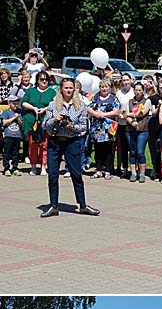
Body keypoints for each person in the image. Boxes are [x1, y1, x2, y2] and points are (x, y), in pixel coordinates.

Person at [41, 77, 100, 218]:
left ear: (74, 89)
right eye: (66, 87)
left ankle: (83, 205)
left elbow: (83, 127)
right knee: (53, 175)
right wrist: (54, 120)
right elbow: (45, 125)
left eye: (70, 88)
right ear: (61, 89)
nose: (68, 90)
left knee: (76, 174)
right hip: (55, 142)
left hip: (72, 142)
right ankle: (53, 206)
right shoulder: (53, 105)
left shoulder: (80, 105)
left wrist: (71, 126)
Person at [21, 71, 56, 176]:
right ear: (37, 81)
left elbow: (55, 104)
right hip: (32, 121)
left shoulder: (52, 92)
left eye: (46, 79)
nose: (44, 81)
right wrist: (33, 108)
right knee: (33, 145)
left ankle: (43, 166)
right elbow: (23, 102)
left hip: (46, 121)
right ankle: (33, 166)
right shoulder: (31, 91)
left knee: (45, 145)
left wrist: (45, 109)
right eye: (41, 79)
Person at [88, 78, 121, 180]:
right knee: (98, 149)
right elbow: (89, 108)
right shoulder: (95, 97)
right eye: (102, 87)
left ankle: (107, 170)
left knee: (108, 149)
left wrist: (103, 114)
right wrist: (96, 114)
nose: (104, 88)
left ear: (110, 87)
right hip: (97, 128)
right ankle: (98, 170)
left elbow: (116, 112)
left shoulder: (113, 98)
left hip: (109, 128)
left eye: (106, 86)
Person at [124, 81, 151, 183]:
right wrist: (132, 122)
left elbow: (142, 113)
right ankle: (133, 173)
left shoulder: (147, 101)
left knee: (140, 152)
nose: (138, 92)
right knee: (132, 152)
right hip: (130, 130)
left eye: (140, 90)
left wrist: (130, 114)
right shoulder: (129, 102)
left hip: (143, 130)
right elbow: (126, 115)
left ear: (143, 91)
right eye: (136, 90)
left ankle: (142, 173)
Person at [1, 94, 23, 176]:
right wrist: (13, 118)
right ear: (9, 103)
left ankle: (15, 168)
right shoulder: (6, 112)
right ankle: (6, 168)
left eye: (17, 103)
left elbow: (21, 124)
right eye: (14, 103)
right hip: (9, 135)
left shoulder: (18, 113)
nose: (16, 105)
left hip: (17, 135)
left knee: (15, 153)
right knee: (7, 152)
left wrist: (18, 119)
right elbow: (4, 122)